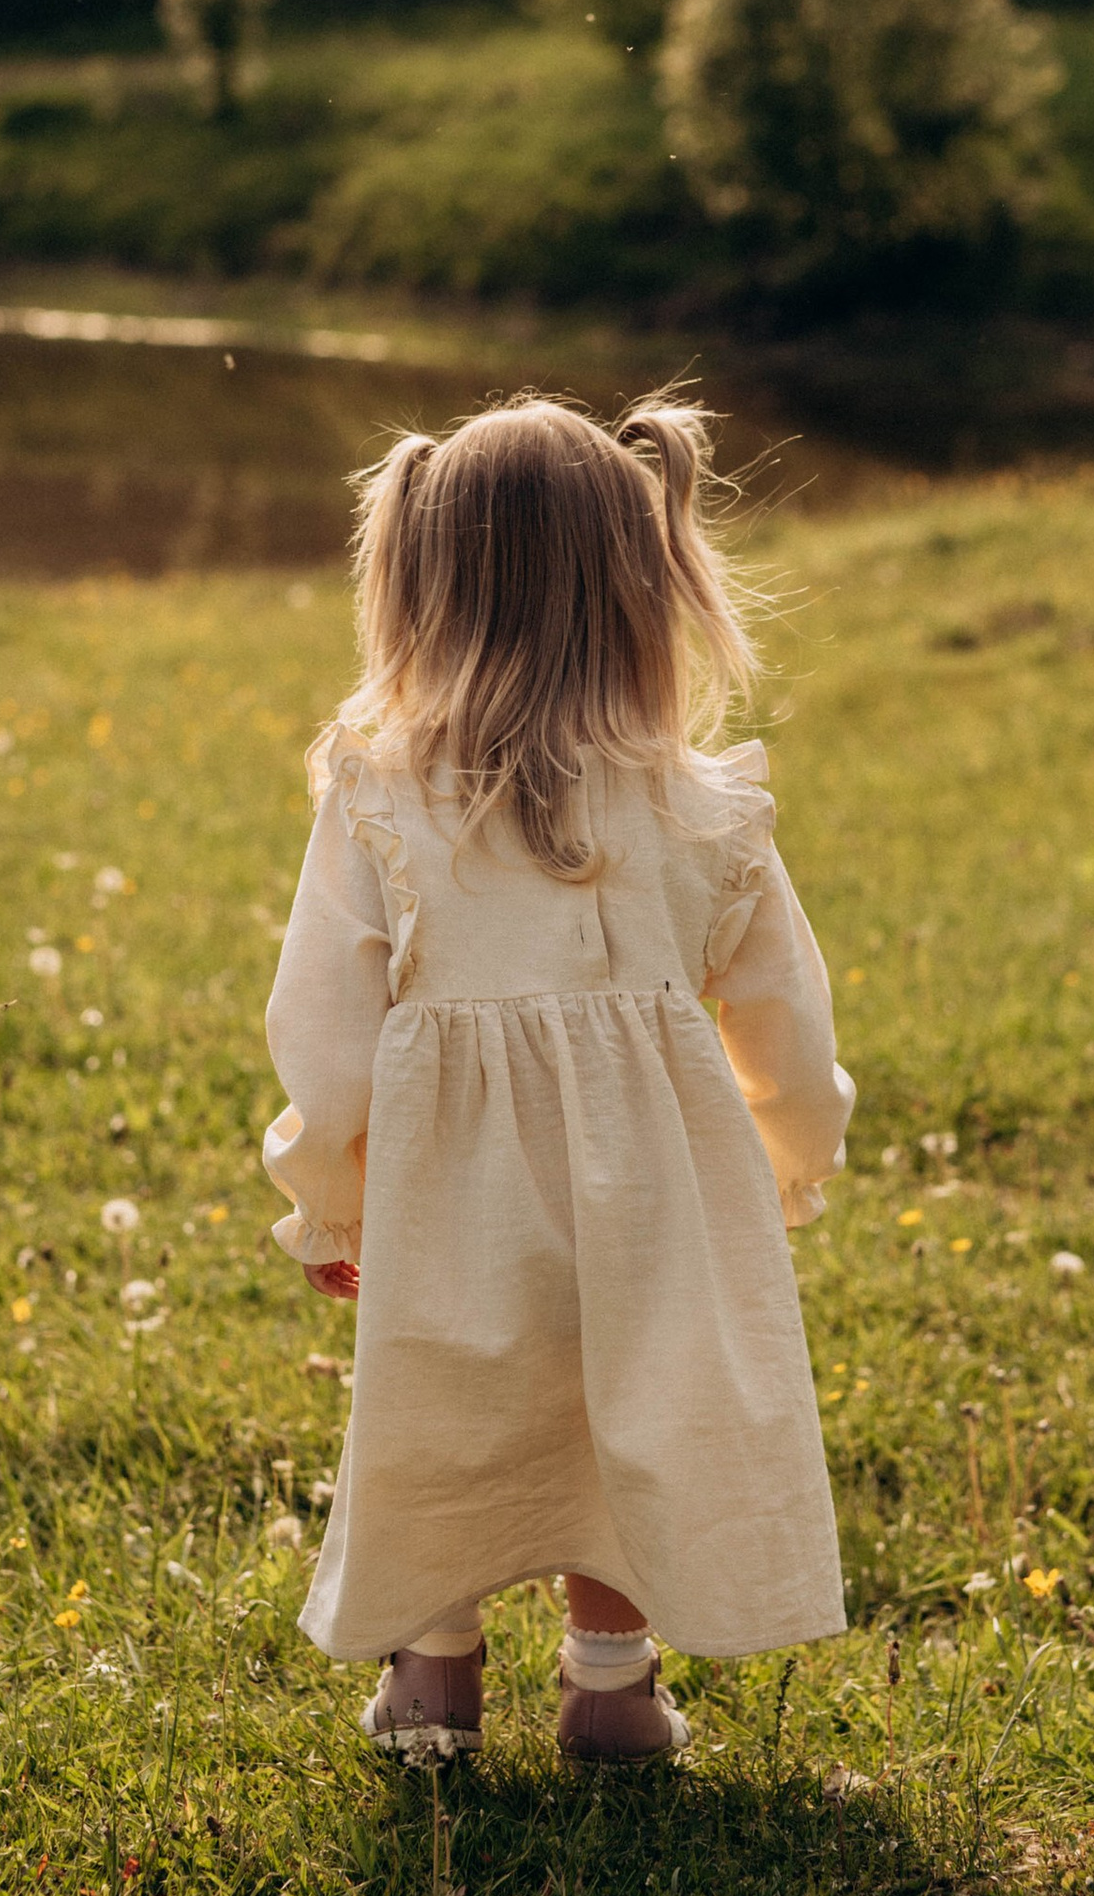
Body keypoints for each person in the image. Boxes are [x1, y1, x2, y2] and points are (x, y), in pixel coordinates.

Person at [260, 394, 852, 1766]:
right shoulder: (701, 809)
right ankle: (612, 1688)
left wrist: (328, 1194)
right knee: (629, 1412)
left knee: (445, 1412)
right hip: (657, 1201)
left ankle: (435, 1681)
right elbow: (784, 1017)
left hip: (448, 1195)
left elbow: (325, 1028)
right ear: (644, 581)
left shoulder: (380, 799)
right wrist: (789, 1160)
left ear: (420, 588)